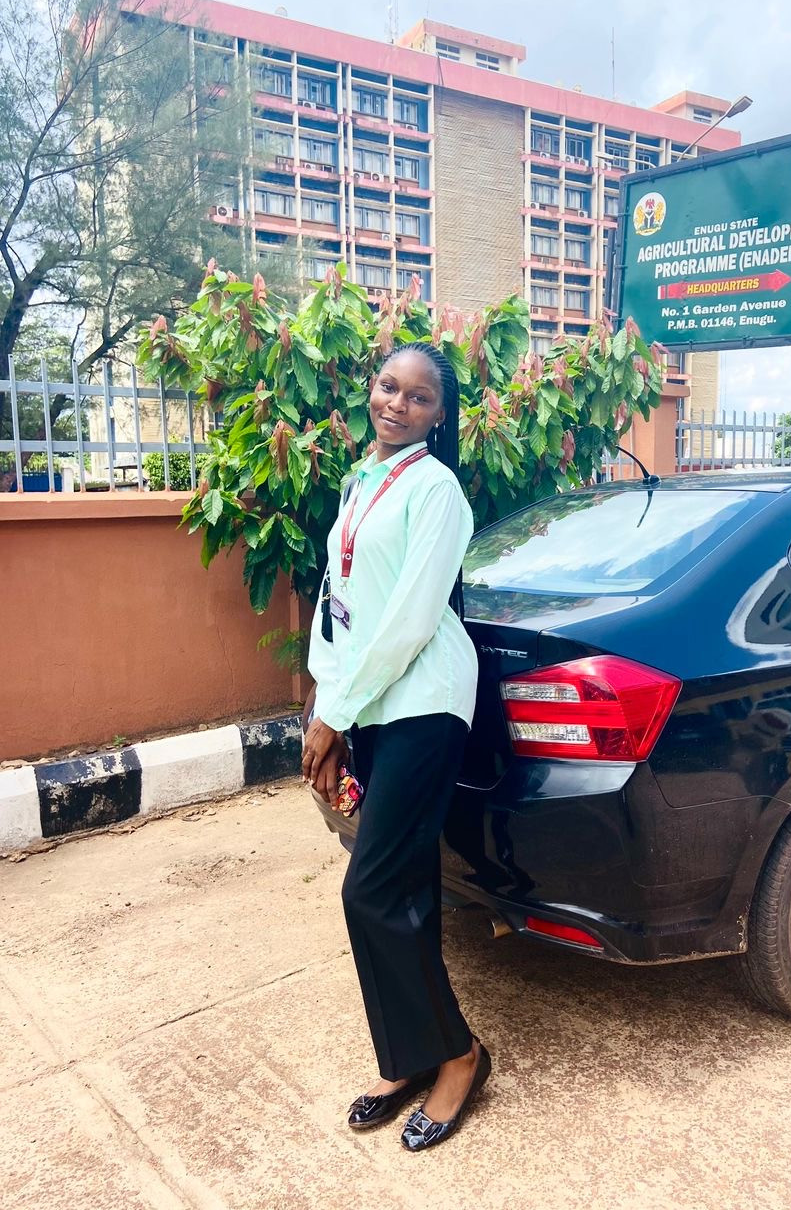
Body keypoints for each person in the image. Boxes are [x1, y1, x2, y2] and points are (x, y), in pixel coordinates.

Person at [301, 341, 489, 1152]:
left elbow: (410, 618)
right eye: (388, 386)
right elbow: (336, 598)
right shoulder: (360, 479)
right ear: (370, 389)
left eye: (418, 397)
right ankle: (407, 1055)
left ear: (439, 415)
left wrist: (335, 715)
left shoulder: (435, 488)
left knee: (369, 890)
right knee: (404, 887)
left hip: (424, 701)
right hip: (372, 703)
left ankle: (459, 1054)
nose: (397, 404)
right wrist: (327, 698)